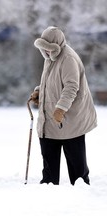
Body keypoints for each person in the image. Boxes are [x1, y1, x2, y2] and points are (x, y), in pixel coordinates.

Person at [30, 26, 97, 185]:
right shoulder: (50, 58)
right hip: (50, 120)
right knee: (49, 159)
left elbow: (71, 87)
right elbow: (52, 82)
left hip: (71, 119)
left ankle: (81, 191)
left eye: (48, 49)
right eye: (43, 49)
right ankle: (48, 187)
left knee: (77, 166)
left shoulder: (68, 59)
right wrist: (40, 92)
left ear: (56, 47)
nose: (45, 52)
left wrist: (61, 108)